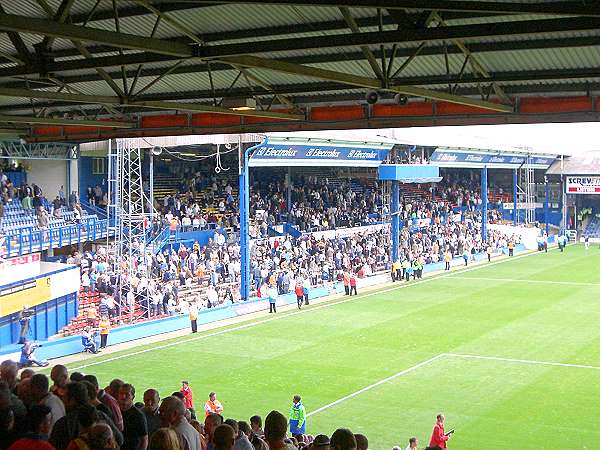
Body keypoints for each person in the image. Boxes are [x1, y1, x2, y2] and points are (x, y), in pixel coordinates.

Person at [118, 383, 148, 450]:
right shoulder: (115, 411)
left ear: (133, 397)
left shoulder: (138, 416)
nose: (123, 396)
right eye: (121, 393)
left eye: (127, 394)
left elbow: (144, 439)